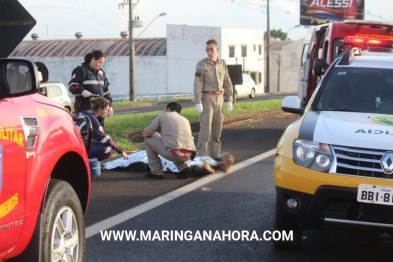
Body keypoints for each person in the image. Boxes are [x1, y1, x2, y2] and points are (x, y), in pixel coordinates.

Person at [194, 39, 234, 162]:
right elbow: (197, 83)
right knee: (205, 129)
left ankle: (215, 155)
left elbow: (227, 82)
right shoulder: (202, 64)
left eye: (211, 49)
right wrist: (198, 101)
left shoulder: (222, 63)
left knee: (218, 129)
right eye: (207, 50)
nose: (209, 52)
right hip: (207, 98)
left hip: (220, 98)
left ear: (217, 49)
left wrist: (230, 99)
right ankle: (202, 156)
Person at [142, 102, 197, 179]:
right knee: (176, 146)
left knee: (148, 139)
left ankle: (156, 172)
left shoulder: (163, 116)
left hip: (173, 153)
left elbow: (145, 134)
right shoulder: (185, 119)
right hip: (188, 154)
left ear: (168, 109)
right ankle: (184, 167)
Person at [76, 96, 129, 162]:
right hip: (81, 147)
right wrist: (120, 151)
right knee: (109, 150)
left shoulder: (85, 112)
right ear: (100, 109)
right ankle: (90, 163)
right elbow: (105, 138)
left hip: (75, 143)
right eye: (106, 109)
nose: (107, 112)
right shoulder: (92, 119)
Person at [68, 50, 113, 126]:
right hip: (85, 106)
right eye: (99, 62)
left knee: (98, 129)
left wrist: (109, 106)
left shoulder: (101, 73)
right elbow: (72, 85)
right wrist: (82, 91)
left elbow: (106, 91)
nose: (101, 65)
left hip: (99, 108)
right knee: (86, 128)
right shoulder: (81, 70)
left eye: (102, 63)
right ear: (93, 59)